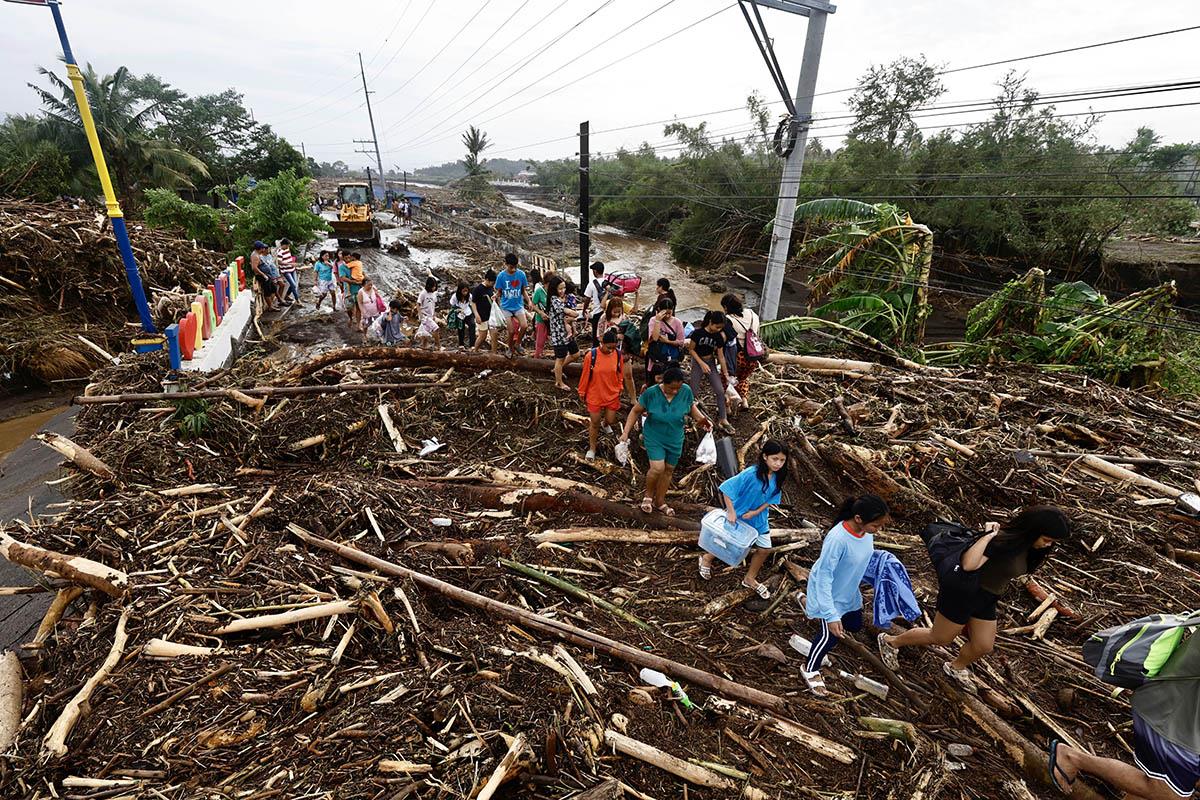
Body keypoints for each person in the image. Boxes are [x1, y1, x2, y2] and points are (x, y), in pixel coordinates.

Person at [878, 506, 1071, 692]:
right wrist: (987, 536)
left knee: (983, 645)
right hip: (963, 592)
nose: (1049, 545)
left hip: (987, 597)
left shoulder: (1030, 549)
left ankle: (956, 667)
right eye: (1047, 539)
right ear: (1033, 530)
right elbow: (969, 564)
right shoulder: (1001, 541)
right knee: (940, 637)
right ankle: (890, 641)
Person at [1049, 631, 1200, 799]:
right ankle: (1073, 758)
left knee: (1151, 791)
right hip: (1172, 715)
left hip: (1184, 720)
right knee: (1169, 793)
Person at [800, 495, 889, 696]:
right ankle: (810, 668)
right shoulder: (837, 539)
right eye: (876, 525)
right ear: (858, 519)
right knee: (829, 635)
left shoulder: (866, 533)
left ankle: (807, 604)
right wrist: (830, 615)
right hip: (829, 594)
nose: (879, 530)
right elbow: (824, 578)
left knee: (854, 625)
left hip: (848, 589)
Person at [618, 365, 711, 516]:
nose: (675, 391)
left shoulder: (685, 391)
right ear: (664, 383)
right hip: (654, 435)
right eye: (671, 388)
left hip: (675, 437)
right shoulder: (651, 394)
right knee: (657, 468)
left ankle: (660, 501)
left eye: (678, 388)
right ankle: (648, 496)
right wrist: (625, 432)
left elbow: (691, 408)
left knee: (668, 470)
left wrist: (702, 420)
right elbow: (635, 411)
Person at [699, 440, 788, 598]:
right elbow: (727, 489)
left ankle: (749, 578)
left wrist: (756, 512)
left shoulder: (778, 476)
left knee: (765, 549)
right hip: (739, 516)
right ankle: (706, 558)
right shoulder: (751, 474)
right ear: (765, 457)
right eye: (775, 459)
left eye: (782, 460)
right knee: (725, 541)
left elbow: (771, 499)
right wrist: (731, 512)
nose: (778, 464)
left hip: (759, 520)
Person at [578, 329, 636, 460]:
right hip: (595, 394)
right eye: (609, 347)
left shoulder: (617, 355)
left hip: (612, 393)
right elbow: (585, 375)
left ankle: (606, 424)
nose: (611, 350)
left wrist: (620, 385)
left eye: (614, 348)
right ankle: (592, 448)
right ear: (602, 343)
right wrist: (582, 391)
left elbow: (619, 372)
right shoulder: (591, 356)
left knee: (610, 420)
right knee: (594, 422)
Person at [687, 310, 735, 435]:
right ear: (710, 322)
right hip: (698, 362)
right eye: (717, 326)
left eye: (720, 328)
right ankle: (689, 416)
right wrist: (701, 363)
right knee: (693, 391)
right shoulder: (698, 333)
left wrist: (725, 374)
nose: (718, 329)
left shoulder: (718, 336)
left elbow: (721, 356)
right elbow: (691, 350)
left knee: (719, 390)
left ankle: (723, 419)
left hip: (711, 362)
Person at [721, 293, 763, 404]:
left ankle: (728, 406)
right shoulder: (752, 313)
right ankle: (744, 401)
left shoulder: (728, 320)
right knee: (742, 379)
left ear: (726, 307)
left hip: (738, 357)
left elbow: (727, 340)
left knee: (727, 379)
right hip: (754, 356)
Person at [493, 253, 531, 355]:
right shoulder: (501, 276)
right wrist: (496, 296)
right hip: (506, 307)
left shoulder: (521, 274)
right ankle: (510, 348)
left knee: (524, 326)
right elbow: (500, 291)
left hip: (518, 305)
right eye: (511, 267)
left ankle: (518, 344)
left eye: (515, 267)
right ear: (505, 264)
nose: (513, 270)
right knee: (511, 331)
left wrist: (529, 301)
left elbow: (523, 290)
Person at [548, 275, 580, 391]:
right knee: (559, 359)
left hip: (567, 334)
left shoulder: (564, 298)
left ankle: (557, 369)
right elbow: (566, 312)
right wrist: (575, 315)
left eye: (564, 288)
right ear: (554, 289)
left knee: (576, 354)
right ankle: (559, 382)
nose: (563, 291)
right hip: (559, 335)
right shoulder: (554, 300)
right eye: (560, 289)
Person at [646, 298, 685, 384]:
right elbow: (655, 338)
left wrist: (667, 341)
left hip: (672, 358)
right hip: (657, 358)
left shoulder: (677, 322)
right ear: (659, 310)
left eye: (669, 313)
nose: (667, 316)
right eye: (665, 313)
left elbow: (681, 342)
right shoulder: (653, 320)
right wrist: (657, 321)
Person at [583, 261, 608, 342]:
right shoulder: (608, 282)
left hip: (598, 313)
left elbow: (587, 299)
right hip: (608, 311)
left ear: (595, 271)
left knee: (596, 337)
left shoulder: (591, 284)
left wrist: (584, 310)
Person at [249, 241, 278, 311]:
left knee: (273, 288)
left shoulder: (258, 254)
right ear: (260, 249)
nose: (264, 250)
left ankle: (271, 304)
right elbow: (254, 268)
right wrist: (263, 275)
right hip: (262, 276)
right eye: (263, 248)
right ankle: (270, 307)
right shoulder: (255, 256)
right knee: (267, 291)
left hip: (267, 275)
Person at [416, 275, 441, 350]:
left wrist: (434, 314)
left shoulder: (433, 294)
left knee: (425, 331)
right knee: (436, 328)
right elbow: (418, 304)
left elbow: (433, 305)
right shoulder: (423, 293)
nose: (434, 288)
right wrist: (420, 315)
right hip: (425, 315)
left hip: (430, 315)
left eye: (435, 286)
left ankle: (424, 345)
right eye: (432, 286)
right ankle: (438, 345)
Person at [449, 281, 476, 350]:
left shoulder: (469, 296)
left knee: (472, 325)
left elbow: (472, 304)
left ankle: (472, 345)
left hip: (468, 312)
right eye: (464, 291)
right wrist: (457, 309)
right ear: (460, 290)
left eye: (466, 291)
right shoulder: (455, 296)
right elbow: (452, 305)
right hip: (460, 314)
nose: (465, 293)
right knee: (461, 328)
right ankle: (461, 344)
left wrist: (475, 313)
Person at [531, 269, 550, 358]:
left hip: (552, 319)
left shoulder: (554, 291)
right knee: (540, 340)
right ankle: (537, 358)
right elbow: (533, 305)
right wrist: (541, 313)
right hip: (541, 319)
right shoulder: (539, 291)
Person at [346, 252, 366, 326]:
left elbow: (346, 266)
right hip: (360, 280)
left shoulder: (354, 263)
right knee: (358, 306)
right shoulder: (360, 263)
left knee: (353, 305)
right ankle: (357, 323)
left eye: (350, 257)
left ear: (353, 258)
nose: (349, 259)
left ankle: (355, 321)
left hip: (355, 281)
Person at [276, 239, 299, 305]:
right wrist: (290, 264)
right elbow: (280, 262)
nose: (288, 247)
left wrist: (292, 263)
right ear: (283, 245)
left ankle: (286, 295)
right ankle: (297, 299)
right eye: (287, 245)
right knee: (293, 285)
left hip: (292, 269)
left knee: (294, 284)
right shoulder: (279, 252)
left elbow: (289, 257)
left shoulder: (287, 249)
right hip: (286, 270)